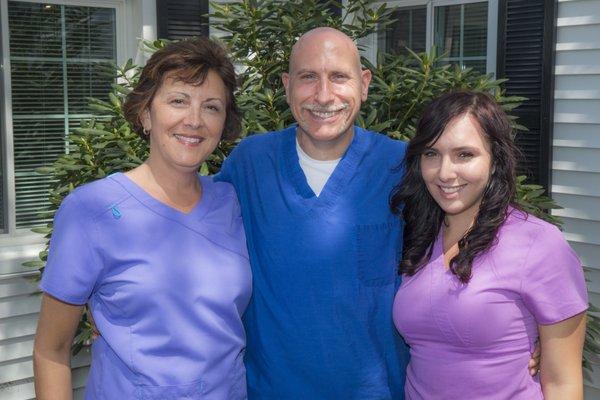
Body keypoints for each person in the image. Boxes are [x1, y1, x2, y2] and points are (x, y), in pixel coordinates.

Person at [33, 37, 251, 400]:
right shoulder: (92, 210)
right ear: (146, 113)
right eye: (178, 101)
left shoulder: (233, 201)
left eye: (211, 107)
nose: (194, 120)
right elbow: (51, 351)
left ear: (224, 122)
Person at [215, 27, 410, 398]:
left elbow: (461, 244)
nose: (324, 95)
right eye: (308, 78)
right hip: (270, 389)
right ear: (287, 86)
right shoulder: (250, 164)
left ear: (364, 84)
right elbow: (184, 223)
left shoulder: (402, 166)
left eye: (339, 76)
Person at [390, 91, 588, 399]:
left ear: (495, 159)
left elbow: (564, 383)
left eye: (464, 155)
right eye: (431, 154)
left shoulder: (540, 244)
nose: (445, 172)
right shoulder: (417, 236)